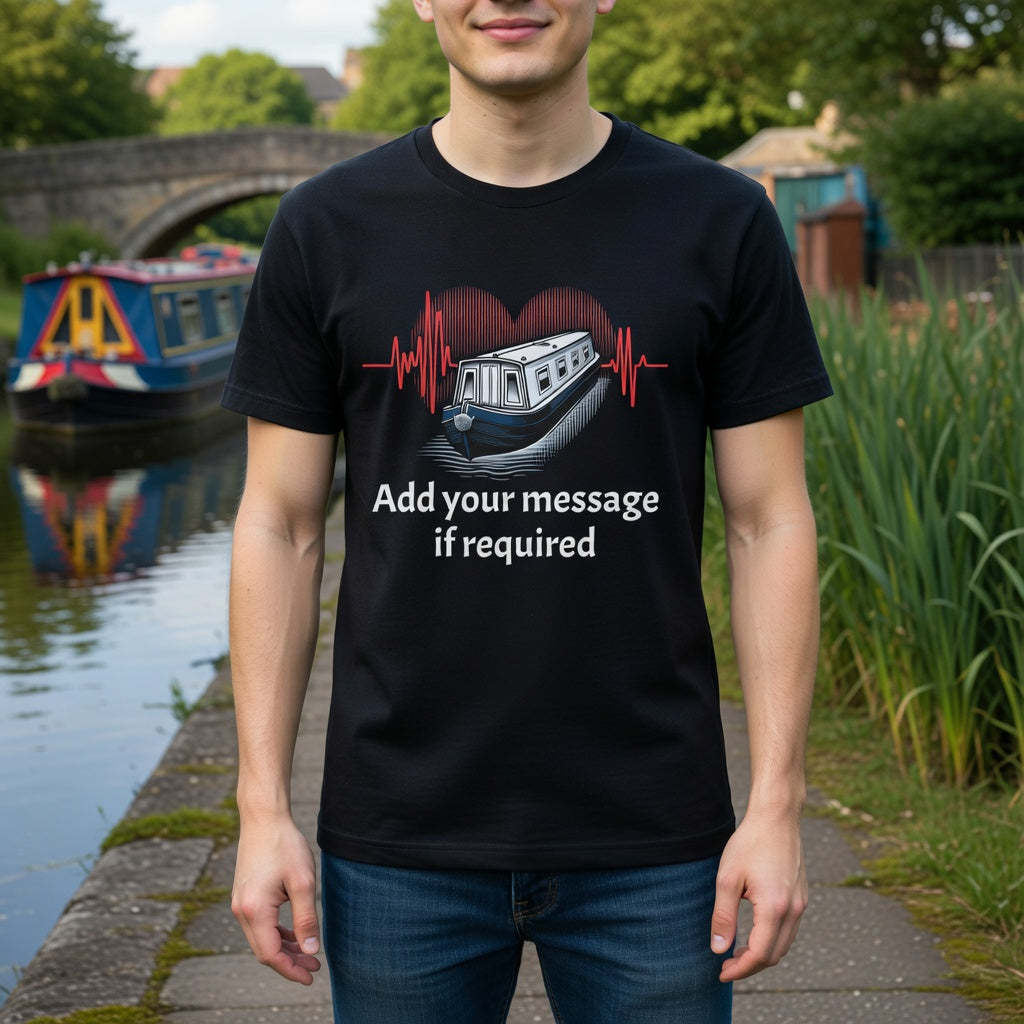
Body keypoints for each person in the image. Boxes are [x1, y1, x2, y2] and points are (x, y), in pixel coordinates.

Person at [224, 1, 832, 1020]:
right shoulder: (324, 226)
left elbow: (770, 518)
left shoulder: (720, 219)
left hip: (657, 840)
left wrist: (775, 806)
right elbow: (278, 524)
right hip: (397, 841)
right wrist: (259, 809)